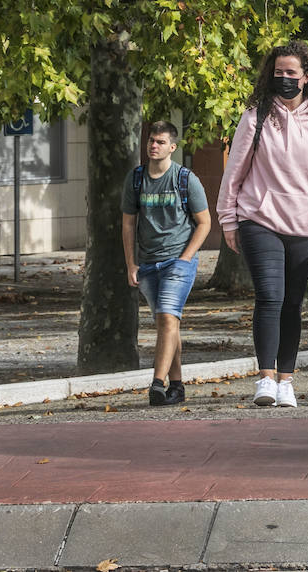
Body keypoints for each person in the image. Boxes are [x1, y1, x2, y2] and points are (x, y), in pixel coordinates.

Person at [216, 41, 308, 407]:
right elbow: (235, 170)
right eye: (278, 73)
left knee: (292, 303)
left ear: (306, 77)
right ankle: (265, 378)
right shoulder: (256, 115)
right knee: (269, 297)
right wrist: (228, 218)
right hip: (259, 219)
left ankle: (286, 381)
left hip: (307, 224)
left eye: (291, 73)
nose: (284, 79)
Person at [122, 121, 211, 406]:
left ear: (172, 147)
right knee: (168, 325)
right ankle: (177, 385)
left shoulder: (185, 179)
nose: (153, 146)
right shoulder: (136, 179)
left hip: (178, 260)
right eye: (151, 141)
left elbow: (205, 222)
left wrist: (186, 258)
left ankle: (157, 384)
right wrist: (130, 264)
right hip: (148, 263)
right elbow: (127, 224)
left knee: (167, 318)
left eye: (160, 142)